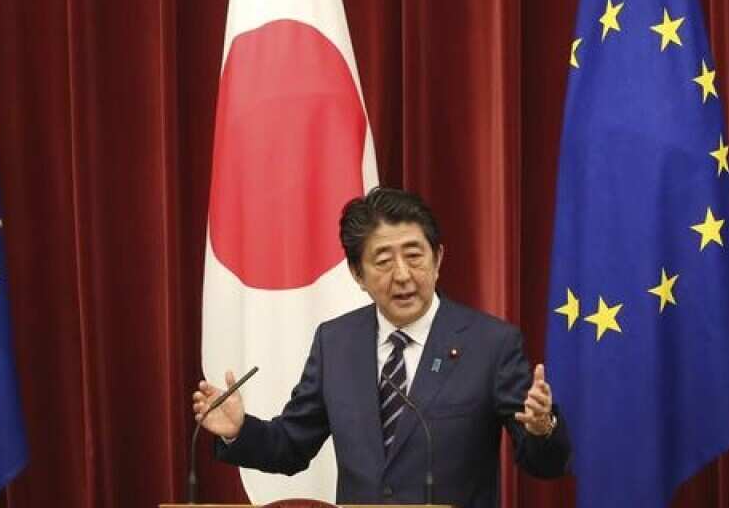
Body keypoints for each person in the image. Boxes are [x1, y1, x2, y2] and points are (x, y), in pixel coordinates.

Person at [193, 187, 570, 507]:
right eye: (384, 261)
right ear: (358, 274)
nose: (403, 275)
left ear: (437, 259)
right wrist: (239, 431)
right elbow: (292, 446)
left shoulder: (491, 344)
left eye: (414, 255)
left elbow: (545, 464)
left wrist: (542, 428)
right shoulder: (336, 343)